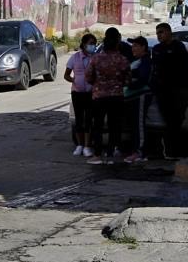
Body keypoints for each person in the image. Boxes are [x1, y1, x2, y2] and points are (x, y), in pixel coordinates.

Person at [85, 28, 130, 165]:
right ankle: (111, 153)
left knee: (98, 125)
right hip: (117, 97)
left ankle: (97, 155)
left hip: (99, 96)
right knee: (114, 125)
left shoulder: (96, 59)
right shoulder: (122, 60)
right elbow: (128, 80)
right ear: (118, 42)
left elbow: (88, 77)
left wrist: (98, 84)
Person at [149, 22, 188, 159]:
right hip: (162, 91)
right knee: (167, 122)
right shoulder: (156, 49)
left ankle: (178, 151)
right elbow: (156, 67)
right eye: (157, 33)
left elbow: (178, 68)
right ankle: (169, 151)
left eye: (161, 32)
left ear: (168, 32)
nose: (159, 36)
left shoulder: (179, 47)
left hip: (178, 90)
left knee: (177, 121)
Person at [65, 33, 97, 158]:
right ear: (84, 44)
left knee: (89, 119)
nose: (93, 46)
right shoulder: (75, 58)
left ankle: (88, 146)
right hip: (77, 93)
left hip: (90, 93)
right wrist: (74, 81)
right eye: (90, 43)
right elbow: (66, 75)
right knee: (79, 119)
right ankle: (80, 144)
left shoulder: (95, 58)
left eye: (94, 43)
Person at [122, 36, 152, 164]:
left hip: (140, 95)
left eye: (135, 46)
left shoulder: (145, 62)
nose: (133, 48)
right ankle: (134, 150)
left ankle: (140, 152)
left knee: (139, 125)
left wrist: (129, 83)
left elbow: (143, 79)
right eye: (132, 46)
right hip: (131, 97)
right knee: (134, 125)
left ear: (143, 47)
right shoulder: (136, 61)